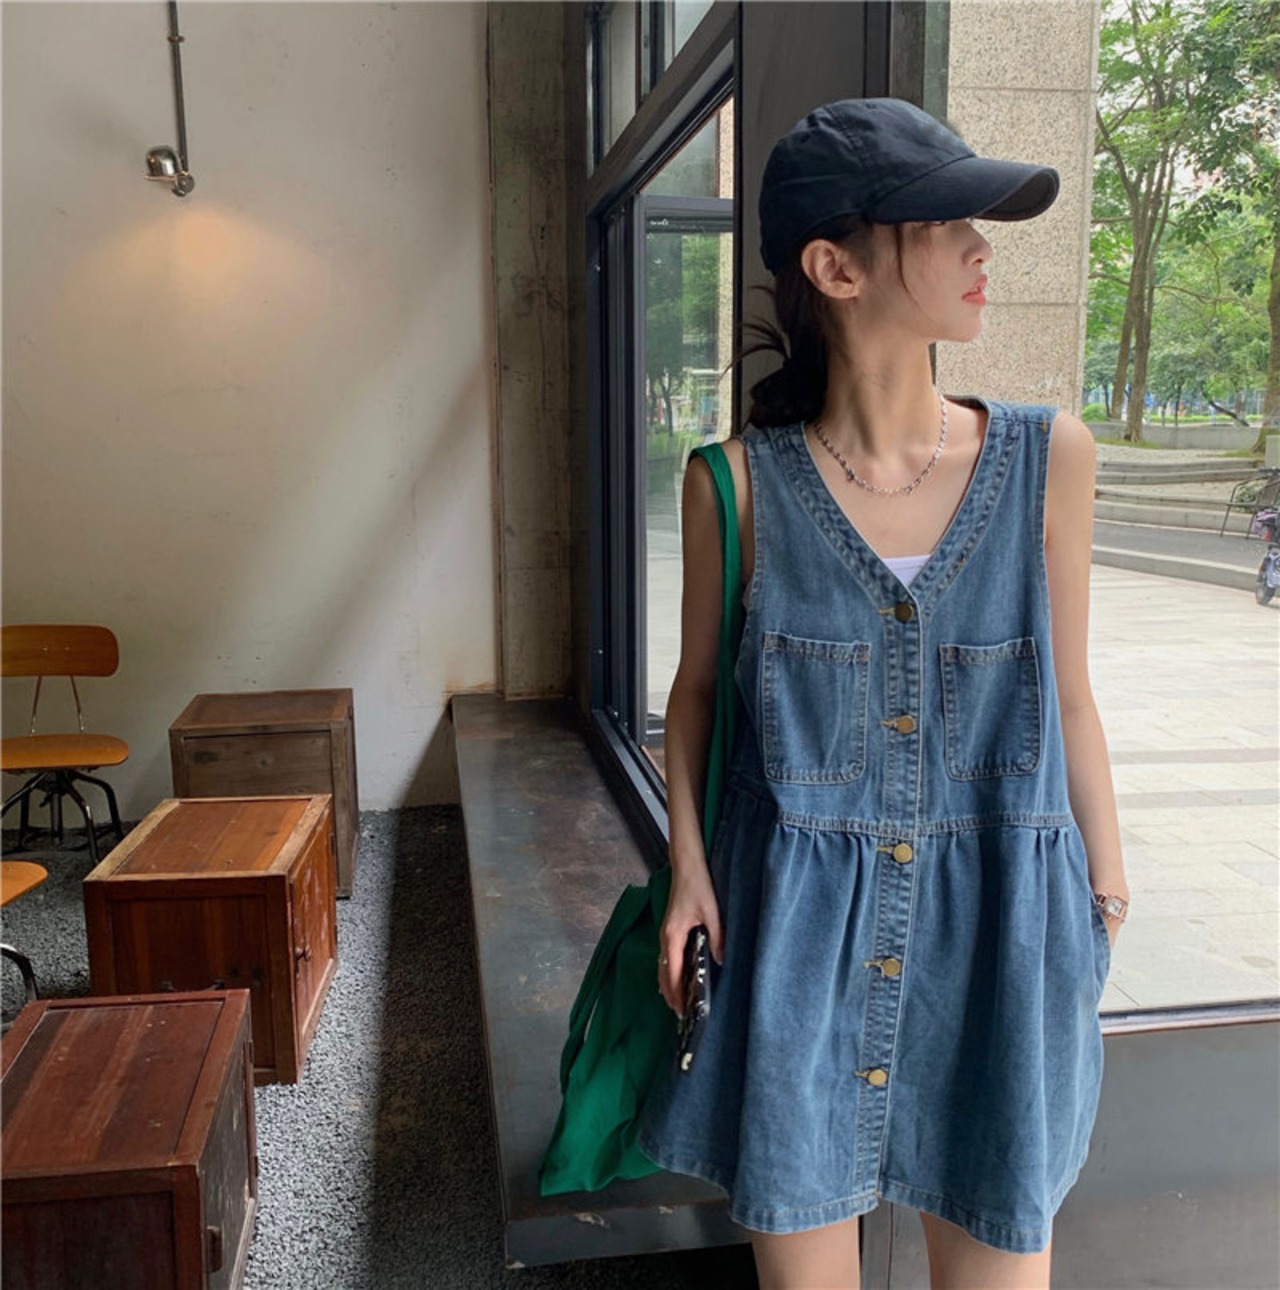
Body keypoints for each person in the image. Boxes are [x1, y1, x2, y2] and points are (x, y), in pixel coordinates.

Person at [638, 99, 1130, 1290]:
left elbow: (1067, 693)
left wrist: (1101, 894)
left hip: (1004, 938)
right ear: (835, 267)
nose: (979, 248)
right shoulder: (733, 487)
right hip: (791, 947)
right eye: (944, 222)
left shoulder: (1048, 459)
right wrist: (689, 873)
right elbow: (692, 699)